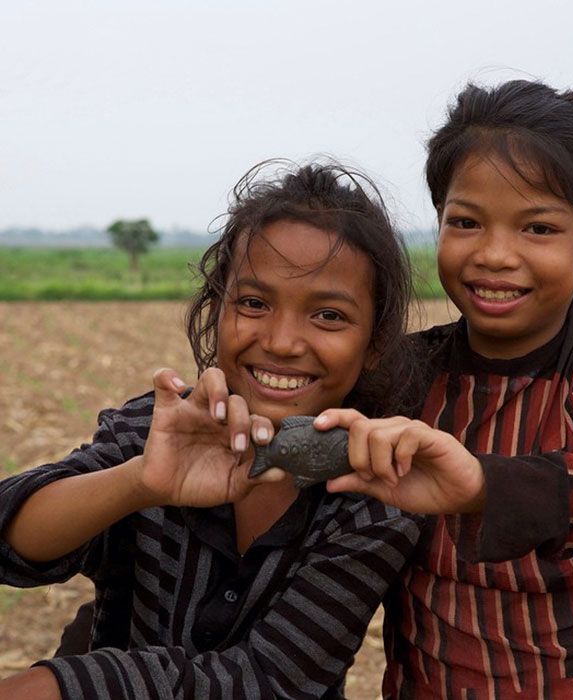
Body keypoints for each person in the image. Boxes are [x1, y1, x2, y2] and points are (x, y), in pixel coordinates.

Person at [316, 81, 573, 698]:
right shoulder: (409, 373)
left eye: (538, 229)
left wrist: (486, 486)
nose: (495, 254)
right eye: (465, 222)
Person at [0, 160, 423, 699]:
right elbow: (10, 543)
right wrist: (139, 482)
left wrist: (58, 687)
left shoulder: (372, 496)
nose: (283, 340)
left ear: (375, 346)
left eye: (329, 316)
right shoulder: (155, 431)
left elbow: (268, 684)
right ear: (217, 308)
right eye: (254, 303)